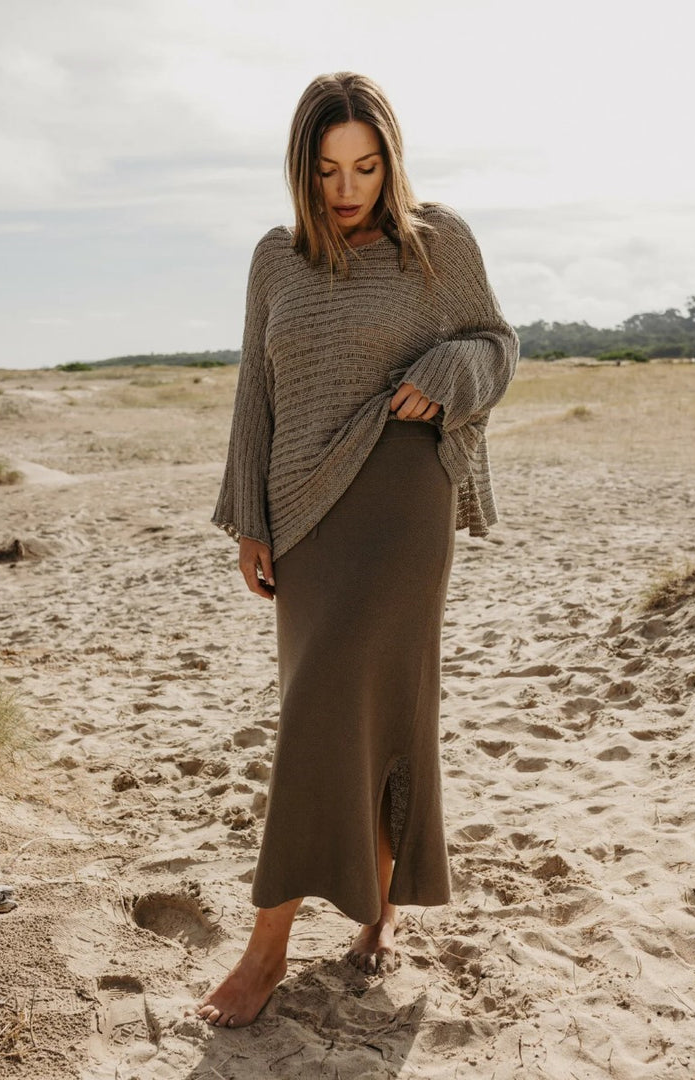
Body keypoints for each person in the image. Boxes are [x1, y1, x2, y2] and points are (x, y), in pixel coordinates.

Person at [191, 71, 519, 1029]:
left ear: (390, 161)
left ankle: (264, 952)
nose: (349, 188)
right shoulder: (276, 257)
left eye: (366, 167)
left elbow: (497, 344)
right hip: (301, 512)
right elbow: (256, 386)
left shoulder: (438, 242)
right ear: (303, 168)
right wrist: (248, 517)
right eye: (330, 169)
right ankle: (373, 915)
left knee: (342, 708)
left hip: (403, 499)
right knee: (340, 709)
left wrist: (450, 367)